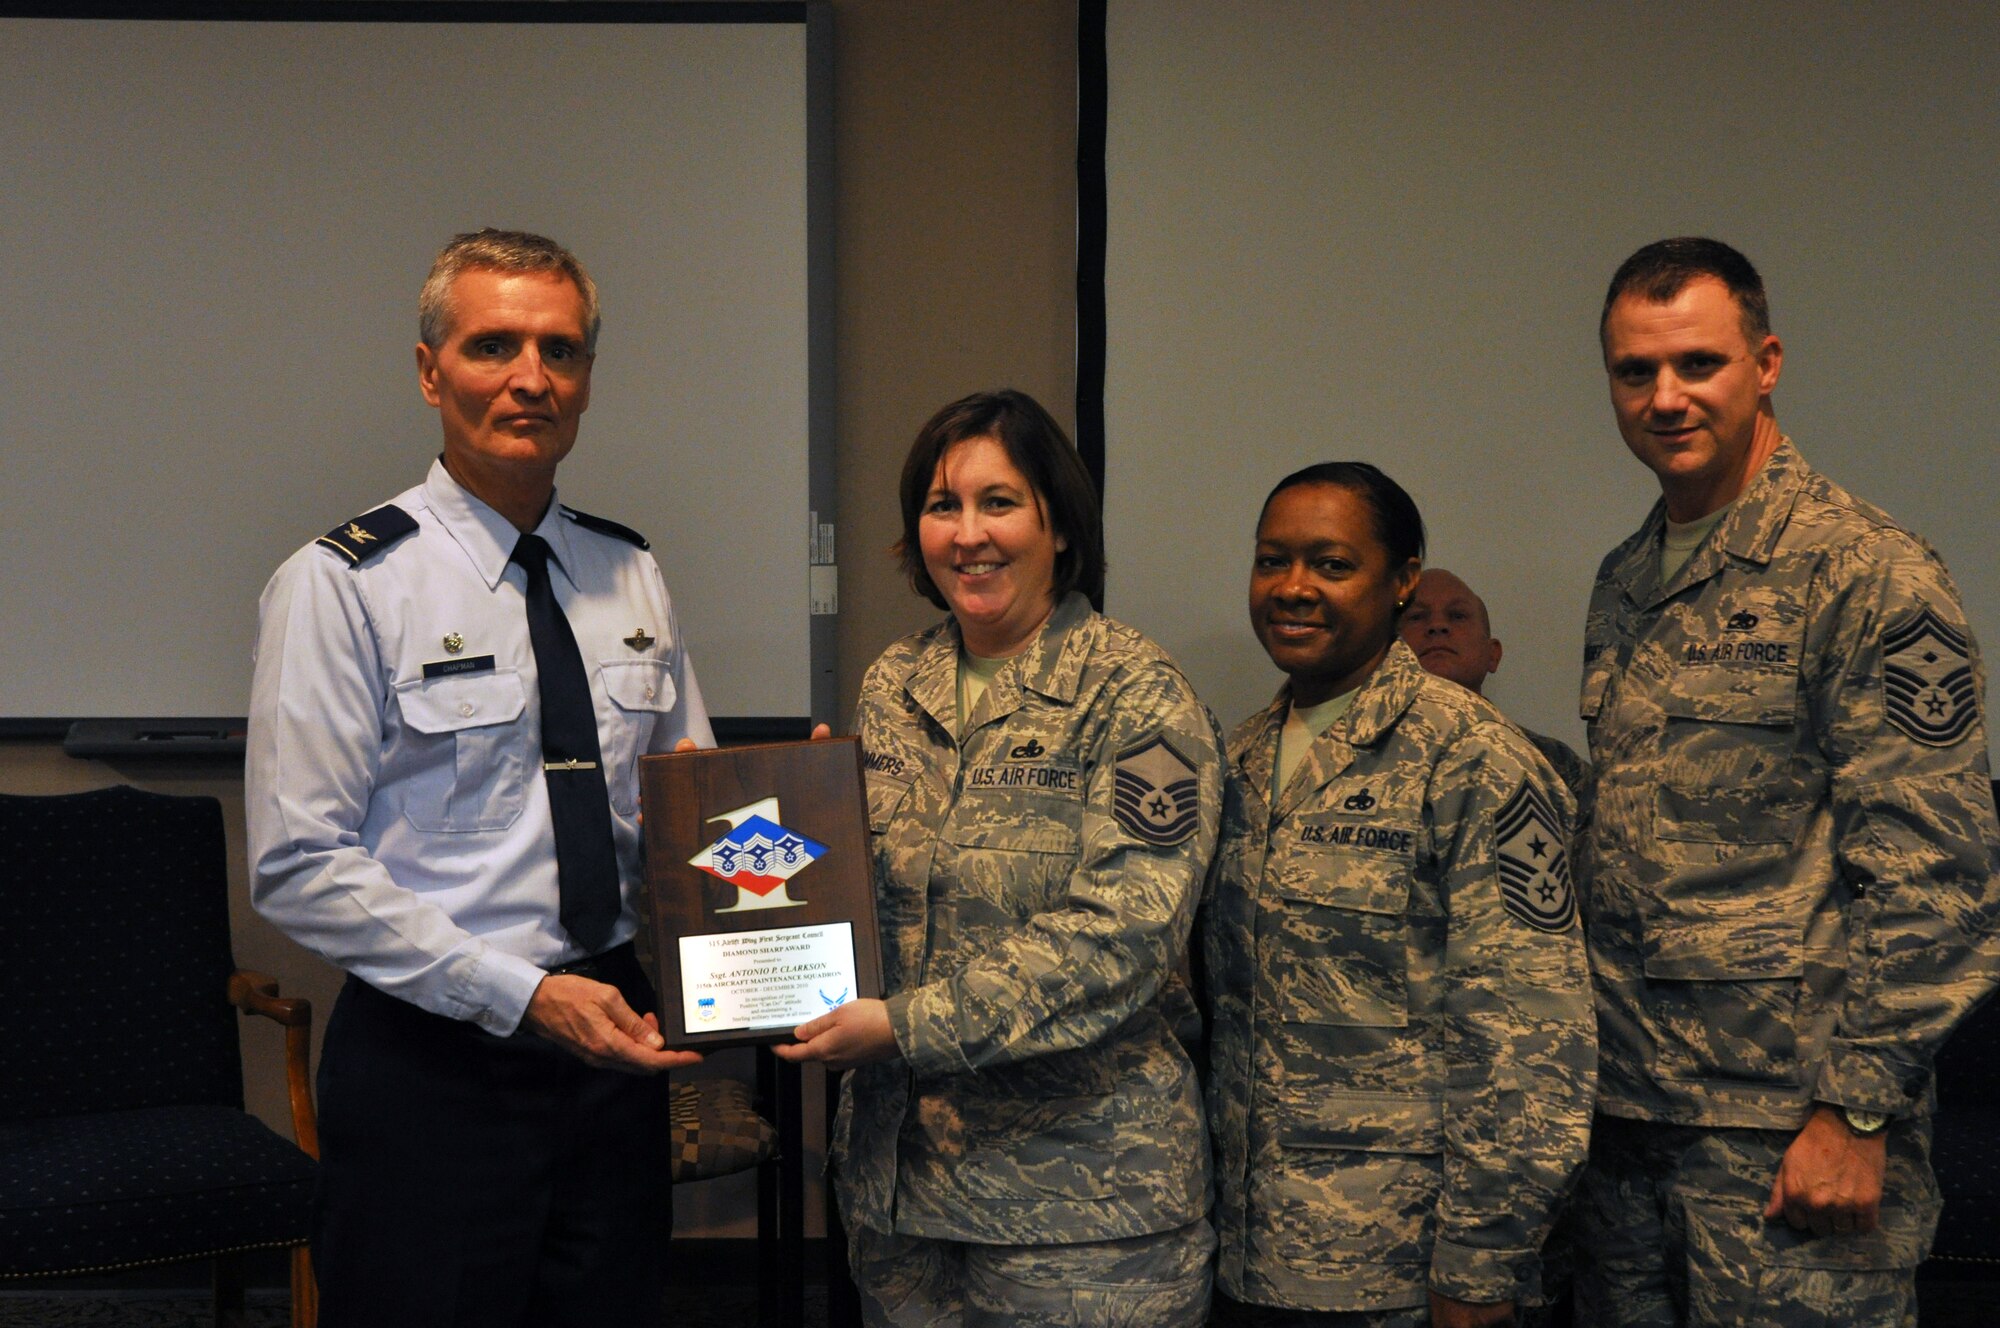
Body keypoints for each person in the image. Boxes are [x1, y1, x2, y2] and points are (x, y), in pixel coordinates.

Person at [246, 229, 712, 1326]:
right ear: (429, 371)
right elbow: (298, 862)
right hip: (433, 1061)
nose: (530, 377)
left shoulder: (629, 570)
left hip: (611, 1043)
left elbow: (686, 811)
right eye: (493, 345)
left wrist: (792, 811)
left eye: (560, 350)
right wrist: (524, 995)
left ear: (586, 377)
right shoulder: (344, 583)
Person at [1572, 236, 2000, 1326]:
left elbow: (1939, 873)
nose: (1665, 398)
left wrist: (1857, 1111)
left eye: (1698, 364)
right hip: (1626, 1130)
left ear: (1764, 364)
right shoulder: (1624, 581)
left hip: (1787, 1140)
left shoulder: (1866, 571)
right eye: (1635, 371)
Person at [772, 389, 1222, 1326]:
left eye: (1000, 502)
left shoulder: (1139, 694)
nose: (968, 534)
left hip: (1083, 1214)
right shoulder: (895, 684)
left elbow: (1123, 939)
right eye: (943, 506)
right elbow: (866, 901)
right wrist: (748, 827)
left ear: (1059, 525)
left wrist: (904, 1027)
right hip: (901, 1202)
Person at [1204, 463, 1597, 1328]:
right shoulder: (1233, 761)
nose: (1293, 587)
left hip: (1402, 1274)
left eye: (1331, 564)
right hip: (1244, 1259)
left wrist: (1482, 1261)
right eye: (1272, 561)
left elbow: (1530, 1035)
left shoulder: (1473, 758)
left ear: (1402, 580)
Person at [1398, 567, 1589, 795]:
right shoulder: (1364, 752)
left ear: (1493, 654)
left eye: (1457, 616)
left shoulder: (1552, 763)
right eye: (1416, 617)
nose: (1437, 626)